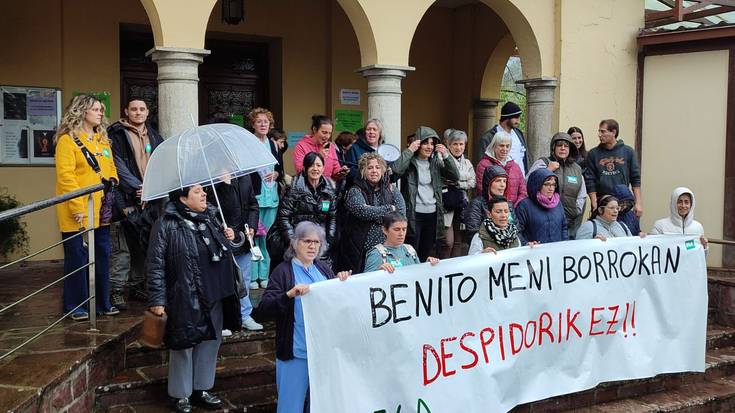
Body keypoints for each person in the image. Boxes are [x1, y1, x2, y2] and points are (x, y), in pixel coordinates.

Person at [147, 184, 242, 413]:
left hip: (217, 292)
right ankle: (181, 394)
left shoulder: (210, 217)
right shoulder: (166, 224)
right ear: (182, 197)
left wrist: (231, 236)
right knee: (184, 343)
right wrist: (157, 301)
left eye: (203, 191)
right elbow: (155, 264)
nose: (204, 194)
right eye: (198, 191)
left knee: (211, 342)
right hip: (185, 294)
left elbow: (225, 251)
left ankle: (202, 388)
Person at [253, 221, 351, 413]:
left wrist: (343, 283)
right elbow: (263, 311)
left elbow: (339, 305)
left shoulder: (323, 269)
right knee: (291, 407)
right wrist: (288, 295)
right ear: (295, 243)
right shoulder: (283, 272)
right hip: (296, 354)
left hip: (323, 354)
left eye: (316, 242)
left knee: (321, 406)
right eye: (307, 241)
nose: (312, 246)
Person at [54, 94, 119, 320]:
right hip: (77, 211)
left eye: (101, 109)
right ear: (81, 111)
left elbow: (110, 166)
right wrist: (78, 209)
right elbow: (66, 178)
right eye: (96, 109)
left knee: (102, 255)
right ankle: (75, 305)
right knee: (77, 258)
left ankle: (102, 302)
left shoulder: (101, 139)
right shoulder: (67, 141)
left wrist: (113, 180)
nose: (101, 113)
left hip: (102, 210)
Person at [108, 97, 164, 309]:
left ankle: (139, 287)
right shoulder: (116, 134)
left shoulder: (154, 135)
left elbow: (161, 163)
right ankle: (117, 291)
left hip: (150, 200)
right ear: (126, 111)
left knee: (144, 244)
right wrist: (138, 188)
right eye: (134, 109)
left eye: (142, 109)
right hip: (125, 199)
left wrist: (152, 188)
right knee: (122, 248)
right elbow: (117, 165)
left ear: (147, 112)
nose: (138, 112)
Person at [391, 126, 460, 262]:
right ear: (418, 144)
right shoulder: (409, 163)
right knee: (411, 252)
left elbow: (455, 176)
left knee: (426, 252)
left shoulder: (436, 163)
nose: (429, 147)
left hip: (433, 214)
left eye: (432, 143)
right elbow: (395, 172)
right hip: (414, 214)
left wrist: (446, 155)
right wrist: (409, 150)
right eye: (425, 143)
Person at [205, 174, 263, 331]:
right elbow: (209, 211)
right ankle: (224, 319)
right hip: (223, 239)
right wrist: (224, 185)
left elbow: (253, 205)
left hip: (243, 239)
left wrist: (252, 226)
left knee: (244, 278)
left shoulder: (244, 177)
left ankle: (244, 315)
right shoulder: (211, 181)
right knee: (224, 280)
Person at [335, 152, 406, 274]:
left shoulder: (391, 189)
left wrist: (374, 213)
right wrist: (389, 210)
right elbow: (363, 211)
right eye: (370, 167)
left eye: (378, 167)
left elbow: (401, 214)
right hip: (360, 250)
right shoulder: (355, 190)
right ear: (363, 170)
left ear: (383, 170)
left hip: (386, 249)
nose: (374, 171)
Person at [267, 152, 337, 272]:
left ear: (323, 168)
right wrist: (294, 242)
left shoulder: (329, 189)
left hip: (318, 242)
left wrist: (328, 242)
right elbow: (283, 217)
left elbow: (332, 218)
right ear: (305, 168)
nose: (315, 169)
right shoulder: (294, 187)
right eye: (311, 165)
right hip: (295, 242)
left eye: (319, 165)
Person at [247, 108, 283, 289]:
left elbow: (281, 170)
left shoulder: (273, 144)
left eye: (266, 122)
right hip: (255, 197)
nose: (263, 125)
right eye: (259, 121)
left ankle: (264, 275)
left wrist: (277, 174)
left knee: (266, 237)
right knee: (253, 237)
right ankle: (253, 277)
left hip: (272, 197)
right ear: (253, 124)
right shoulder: (248, 144)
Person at [527, 132, 587, 238]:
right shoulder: (543, 162)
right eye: (560, 145)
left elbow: (582, 194)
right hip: (545, 220)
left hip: (570, 223)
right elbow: (528, 183)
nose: (563, 148)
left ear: (571, 149)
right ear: (553, 148)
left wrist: (577, 209)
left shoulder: (577, 169)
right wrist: (548, 170)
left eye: (566, 146)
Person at [584, 119, 642, 216]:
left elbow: (635, 179)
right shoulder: (593, 154)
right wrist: (594, 202)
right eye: (599, 131)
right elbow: (590, 180)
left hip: (623, 203)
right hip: (602, 203)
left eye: (603, 131)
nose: (599, 134)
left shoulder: (628, 152)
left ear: (613, 132)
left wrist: (638, 203)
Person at [364, 212, 440, 273]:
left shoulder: (410, 249)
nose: (401, 233)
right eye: (397, 229)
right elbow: (365, 284)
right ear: (384, 230)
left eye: (404, 229)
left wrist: (428, 266)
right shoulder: (376, 254)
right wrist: (378, 272)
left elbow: (419, 275)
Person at [439, 129, 475, 258]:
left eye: (461, 144)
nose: (458, 147)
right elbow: (446, 177)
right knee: (448, 242)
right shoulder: (441, 160)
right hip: (447, 205)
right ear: (448, 145)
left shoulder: (467, 163)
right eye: (455, 144)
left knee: (459, 242)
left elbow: (473, 182)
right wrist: (464, 177)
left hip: (462, 205)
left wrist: (458, 182)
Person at [515, 169, 569, 245]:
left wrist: (565, 244)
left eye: (553, 184)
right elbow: (517, 231)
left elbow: (564, 228)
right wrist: (526, 244)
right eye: (546, 184)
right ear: (537, 185)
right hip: (534, 254)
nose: (551, 188)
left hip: (557, 252)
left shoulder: (558, 203)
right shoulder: (524, 205)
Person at [475, 131, 527, 207]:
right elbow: (482, 190)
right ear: (494, 146)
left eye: (507, 146)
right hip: (492, 210)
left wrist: (513, 208)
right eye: (501, 146)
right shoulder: (484, 164)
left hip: (513, 211)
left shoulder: (515, 166)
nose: (505, 149)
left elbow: (523, 191)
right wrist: (501, 208)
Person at [477, 101, 528, 175]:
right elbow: (483, 164)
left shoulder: (519, 134)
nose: (518, 121)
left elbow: (523, 159)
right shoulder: (488, 138)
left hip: (520, 181)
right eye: (516, 118)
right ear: (507, 117)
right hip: (499, 182)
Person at [293, 115, 349, 182]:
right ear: (314, 129)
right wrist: (318, 157)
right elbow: (300, 170)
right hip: (307, 188)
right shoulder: (301, 146)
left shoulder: (330, 146)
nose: (327, 136)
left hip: (327, 188)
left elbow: (335, 169)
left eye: (329, 133)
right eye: (324, 132)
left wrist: (340, 172)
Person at [463, 165, 515, 234]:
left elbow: (517, 231)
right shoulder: (477, 204)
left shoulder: (508, 204)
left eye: (504, 181)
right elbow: (472, 232)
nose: (502, 185)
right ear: (488, 184)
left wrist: (528, 244)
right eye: (498, 181)